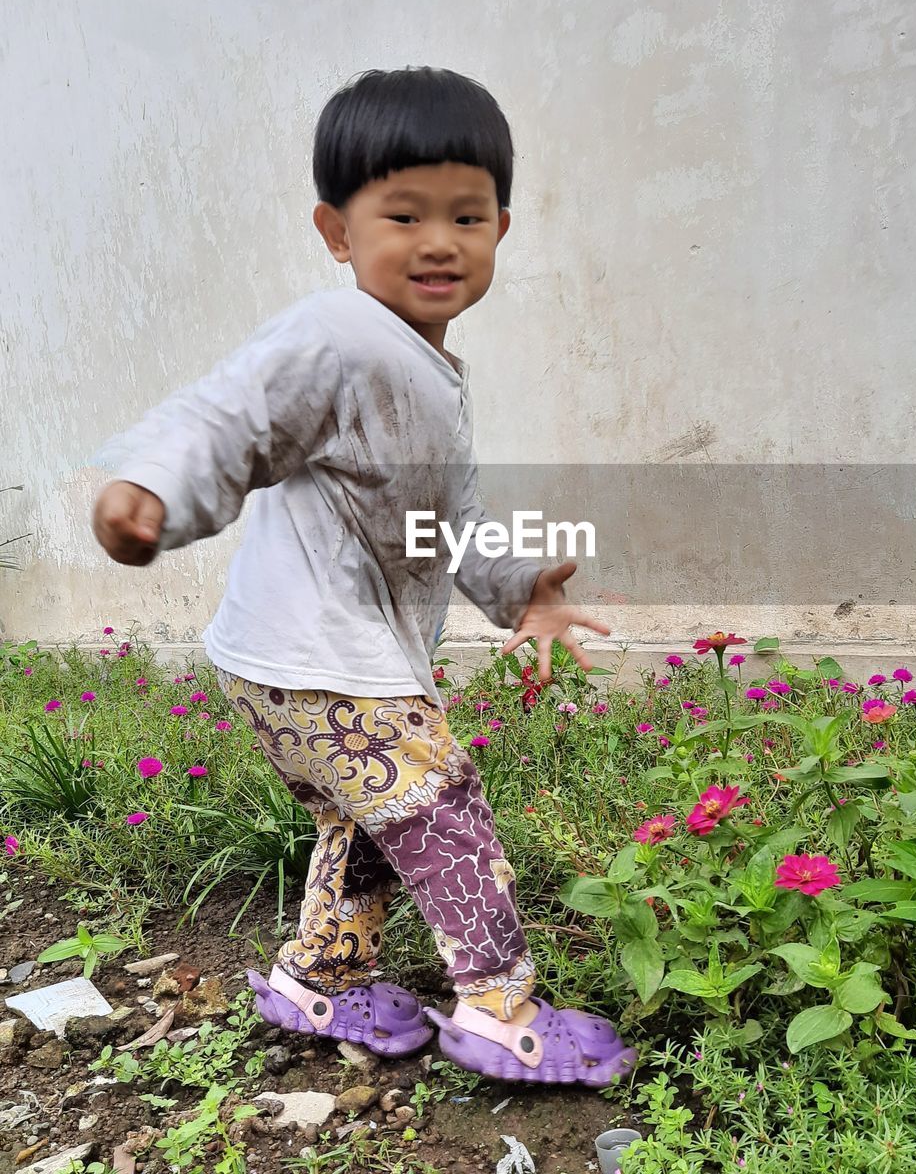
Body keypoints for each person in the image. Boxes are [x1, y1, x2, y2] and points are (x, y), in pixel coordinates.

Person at [92, 67, 635, 1086]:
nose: (438, 240)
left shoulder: (421, 366)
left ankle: (319, 979)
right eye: (403, 213)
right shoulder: (337, 334)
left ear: (501, 230)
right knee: (441, 805)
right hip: (319, 660)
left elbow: (441, 522)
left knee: (369, 822)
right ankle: (500, 1008)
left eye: (465, 214)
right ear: (336, 231)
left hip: (296, 661)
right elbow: (229, 412)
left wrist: (524, 588)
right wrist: (151, 487)